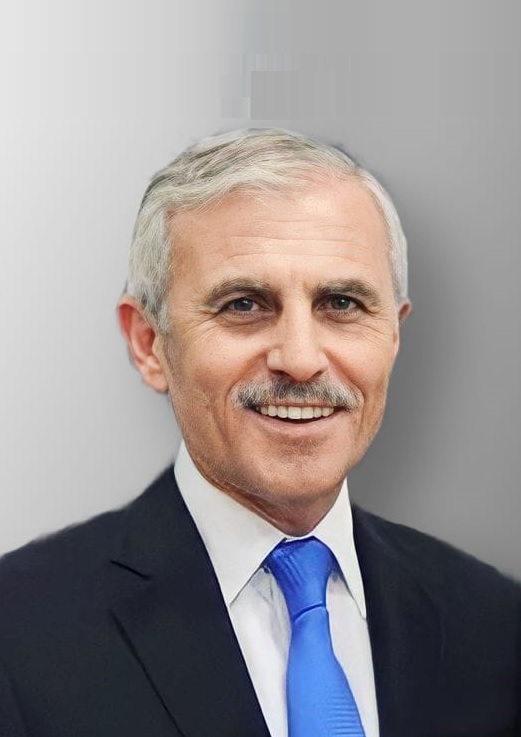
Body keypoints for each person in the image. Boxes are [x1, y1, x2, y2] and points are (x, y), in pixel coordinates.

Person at [0, 129, 519, 737]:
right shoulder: (19, 634)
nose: (300, 359)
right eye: (244, 305)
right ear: (148, 343)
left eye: (342, 303)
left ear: (394, 335)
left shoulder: (495, 625)